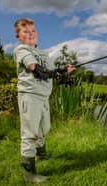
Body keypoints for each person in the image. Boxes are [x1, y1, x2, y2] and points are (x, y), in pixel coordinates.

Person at [13, 18, 75, 183]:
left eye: (33, 31)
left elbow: (50, 71)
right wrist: (55, 73)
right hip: (30, 96)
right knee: (30, 134)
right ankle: (29, 174)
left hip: (43, 97)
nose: (30, 34)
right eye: (25, 32)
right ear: (18, 36)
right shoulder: (22, 50)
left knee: (44, 128)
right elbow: (38, 71)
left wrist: (63, 71)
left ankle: (41, 153)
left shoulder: (43, 54)